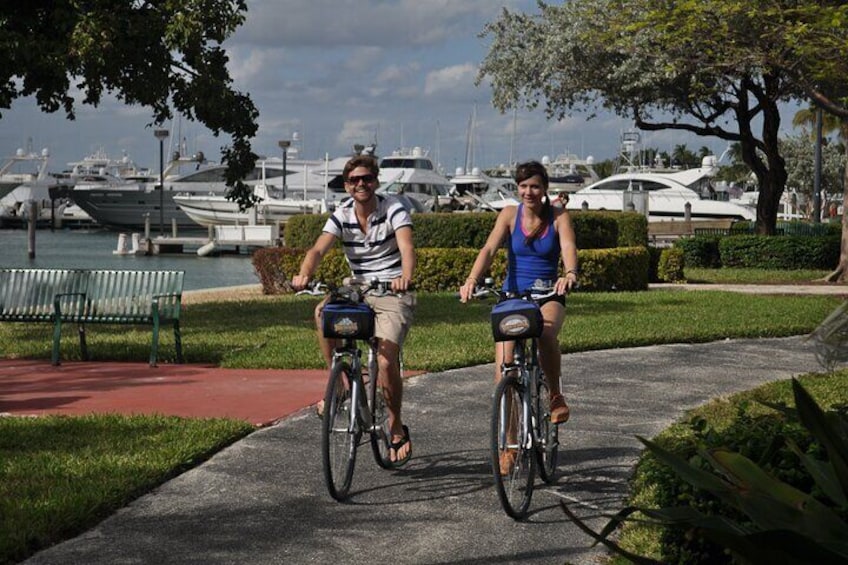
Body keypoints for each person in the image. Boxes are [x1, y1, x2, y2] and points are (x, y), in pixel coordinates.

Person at [291, 154, 416, 465]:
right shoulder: (341, 213)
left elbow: (407, 247)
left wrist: (406, 277)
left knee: (386, 361)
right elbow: (318, 248)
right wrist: (304, 274)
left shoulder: (393, 208)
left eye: (367, 179)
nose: (361, 184)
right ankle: (341, 384)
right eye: (354, 180)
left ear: (376, 181)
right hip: (356, 287)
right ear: (347, 186)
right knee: (322, 314)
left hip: (390, 289)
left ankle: (396, 425)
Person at [458, 160, 578, 473]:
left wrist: (570, 273)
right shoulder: (509, 215)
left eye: (535, 186)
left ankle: (554, 395)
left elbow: (568, 246)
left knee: (546, 334)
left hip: (547, 295)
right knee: (504, 372)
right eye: (523, 186)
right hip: (512, 297)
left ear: (545, 189)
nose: (528, 192)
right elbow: (488, 249)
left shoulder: (559, 216)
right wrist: (471, 279)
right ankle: (509, 446)